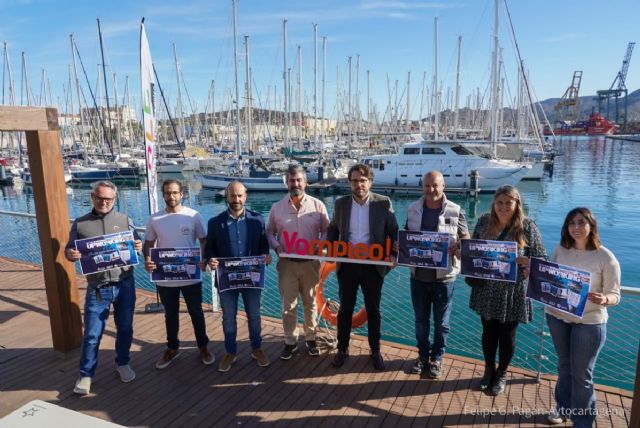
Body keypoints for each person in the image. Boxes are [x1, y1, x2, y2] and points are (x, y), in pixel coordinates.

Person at [64, 181, 143, 395]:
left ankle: (123, 363)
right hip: (97, 287)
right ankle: (86, 374)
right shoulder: (80, 224)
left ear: (114, 200)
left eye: (108, 199)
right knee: (91, 334)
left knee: (125, 328)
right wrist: (70, 254)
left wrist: (139, 245)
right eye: (100, 198)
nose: (104, 202)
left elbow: (138, 243)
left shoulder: (125, 220)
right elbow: (69, 249)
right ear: (92, 197)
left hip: (125, 284)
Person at [468, 185, 547, 395]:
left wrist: (526, 261)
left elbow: (542, 260)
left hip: (513, 292)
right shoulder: (484, 221)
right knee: (488, 333)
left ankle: (502, 373)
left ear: (516, 204)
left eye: (508, 203)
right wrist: (462, 252)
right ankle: (488, 369)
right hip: (486, 288)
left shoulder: (527, 226)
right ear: (494, 203)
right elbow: (473, 249)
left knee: (507, 335)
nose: (503, 207)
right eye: (500, 202)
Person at [546, 208, 620, 427]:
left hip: (589, 322)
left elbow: (616, 294)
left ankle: (583, 420)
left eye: (580, 223)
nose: (575, 228)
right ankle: (563, 407)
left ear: (591, 225)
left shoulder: (605, 257)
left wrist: (605, 299)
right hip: (557, 317)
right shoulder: (560, 249)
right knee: (564, 366)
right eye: (571, 223)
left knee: (582, 374)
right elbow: (552, 278)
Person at [328, 163, 399, 370]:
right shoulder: (341, 204)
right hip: (348, 264)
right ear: (349, 183)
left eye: (362, 180)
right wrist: (328, 250)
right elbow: (333, 228)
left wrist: (394, 255)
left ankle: (375, 350)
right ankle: (342, 349)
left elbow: (393, 230)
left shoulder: (383, 203)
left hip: (372, 265)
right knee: (345, 309)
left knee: (374, 310)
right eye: (354, 180)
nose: (358, 184)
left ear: (370, 182)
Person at [405, 171, 470, 379]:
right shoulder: (413, 208)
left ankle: (437, 359)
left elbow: (466, 237)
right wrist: (402, 244)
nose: (431, 190)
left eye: (435, 186)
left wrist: (459, 245)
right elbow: (407, 234)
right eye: (427, 186)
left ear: (443, 186)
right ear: (422, 187)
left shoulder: (455, 210)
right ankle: (423, 356)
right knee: (420, 321)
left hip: (444, 278)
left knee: (442, 323)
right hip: (418, 277)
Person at [144, 179, 213, 369]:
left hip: (190, 275)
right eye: (167, 193)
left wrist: (204, 259)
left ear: (181, 194)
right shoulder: (154, 219)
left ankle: (203, 347)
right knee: (170, 315)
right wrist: (147, 261)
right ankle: (172, 348)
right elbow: (148, 244)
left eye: (175, 192)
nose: (171, 196)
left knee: (196, 313)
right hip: (165, 277)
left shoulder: (194, 215)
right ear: (163, 194)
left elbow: (204, 240)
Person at [203, 181, 272, 372]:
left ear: (246, 196)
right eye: (232, 195)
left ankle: (256, 349)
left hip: (252, 278)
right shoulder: (215, 222)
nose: (236, 199)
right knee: (228, 318)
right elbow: (209, 250)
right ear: (227, 196)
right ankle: (230, 352)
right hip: (227, 280)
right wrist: (210, 260)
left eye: (240, 195)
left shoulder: (257, 220)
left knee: (254, 315)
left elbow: (263, 245)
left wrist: (266, 256)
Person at [266, 164, 330, 360]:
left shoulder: (318, 206)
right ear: (287, 182)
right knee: (288, 305)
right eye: (292, 180)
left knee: (310, 303)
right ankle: (290, 342)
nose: (295, 184)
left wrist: (320, 244)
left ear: (306, 182)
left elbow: (327, 229)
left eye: (299, 180)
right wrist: (276, 247)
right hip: (287, 264)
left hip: (311, 263)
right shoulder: (277, 208)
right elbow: (269, 232)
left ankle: (311, 339)